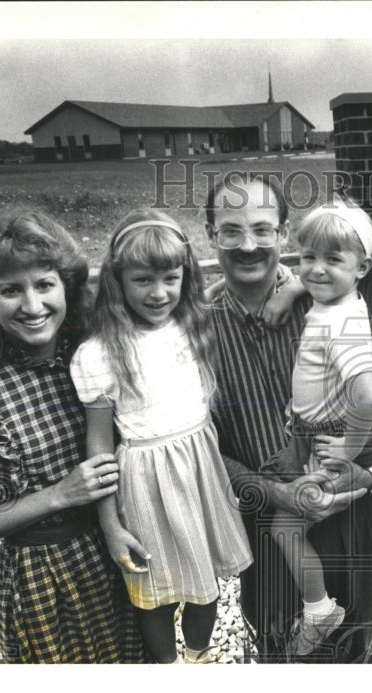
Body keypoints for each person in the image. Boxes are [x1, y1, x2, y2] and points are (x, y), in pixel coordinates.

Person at [0, 209, 148, 663]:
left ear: (67, 286)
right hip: (46, 577)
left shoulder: (89, 357)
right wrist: (58, 495)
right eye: (10, 290)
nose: (33, 305)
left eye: (44, 284)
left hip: (120, 551)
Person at [204, 173, 372, 662]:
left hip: (348, 514)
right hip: (264, 521)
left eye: (262, 228)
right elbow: (201, 448)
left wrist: (369, 470)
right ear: (210, 235)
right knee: (278, 653)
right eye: (231, 230)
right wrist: (275, 491)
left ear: (282, 232)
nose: (247, 244)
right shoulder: (195, 327)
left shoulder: (328, 300)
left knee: (350, 655)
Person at [70, 209, 252, 664]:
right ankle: (166, 670)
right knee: (156, 590)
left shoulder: (194, 325)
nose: (158, 293)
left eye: (170, 278)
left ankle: (197, 656)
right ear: (117, 281)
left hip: (201, 468)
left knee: (205, 580)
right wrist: (110, 525)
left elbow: (245, 290)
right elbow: (97, 446)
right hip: (146, 478)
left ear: (185, 277)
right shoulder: (99, 353)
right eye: (142, 280)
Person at [256, 200, 372, 656]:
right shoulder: (338, 301)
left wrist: (350, 449)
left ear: (362, 267)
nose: (314, 270)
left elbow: (367, 396)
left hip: (327, 443)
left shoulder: (344, 326)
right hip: (316, 431)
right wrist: (291, 290)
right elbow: (315, 277)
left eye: (332, 260)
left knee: (284, 525)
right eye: (307, 256)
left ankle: (318, 609)